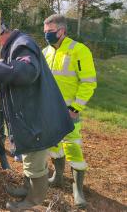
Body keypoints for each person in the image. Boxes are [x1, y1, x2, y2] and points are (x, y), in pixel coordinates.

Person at [0, 19, 74, 210]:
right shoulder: (13, 47)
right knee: (29, 157)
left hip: (37, 118)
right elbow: (10, 82)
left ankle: (34, 200)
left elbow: (26, 73)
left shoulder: (22, 45)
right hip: (30, 116)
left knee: (35, 162)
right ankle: (28, 188)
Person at [43, 14, 97, 208]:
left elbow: (89, 83)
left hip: (69, 111)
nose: (47, 35)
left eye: (50, 32)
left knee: (72, 146)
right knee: (54, 145)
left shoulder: (79, 50)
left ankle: (78, 189)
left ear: (62, 31)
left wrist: (75, 108)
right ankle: (58, 177)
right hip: (49, 110)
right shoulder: (45, 52)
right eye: (45, 32)